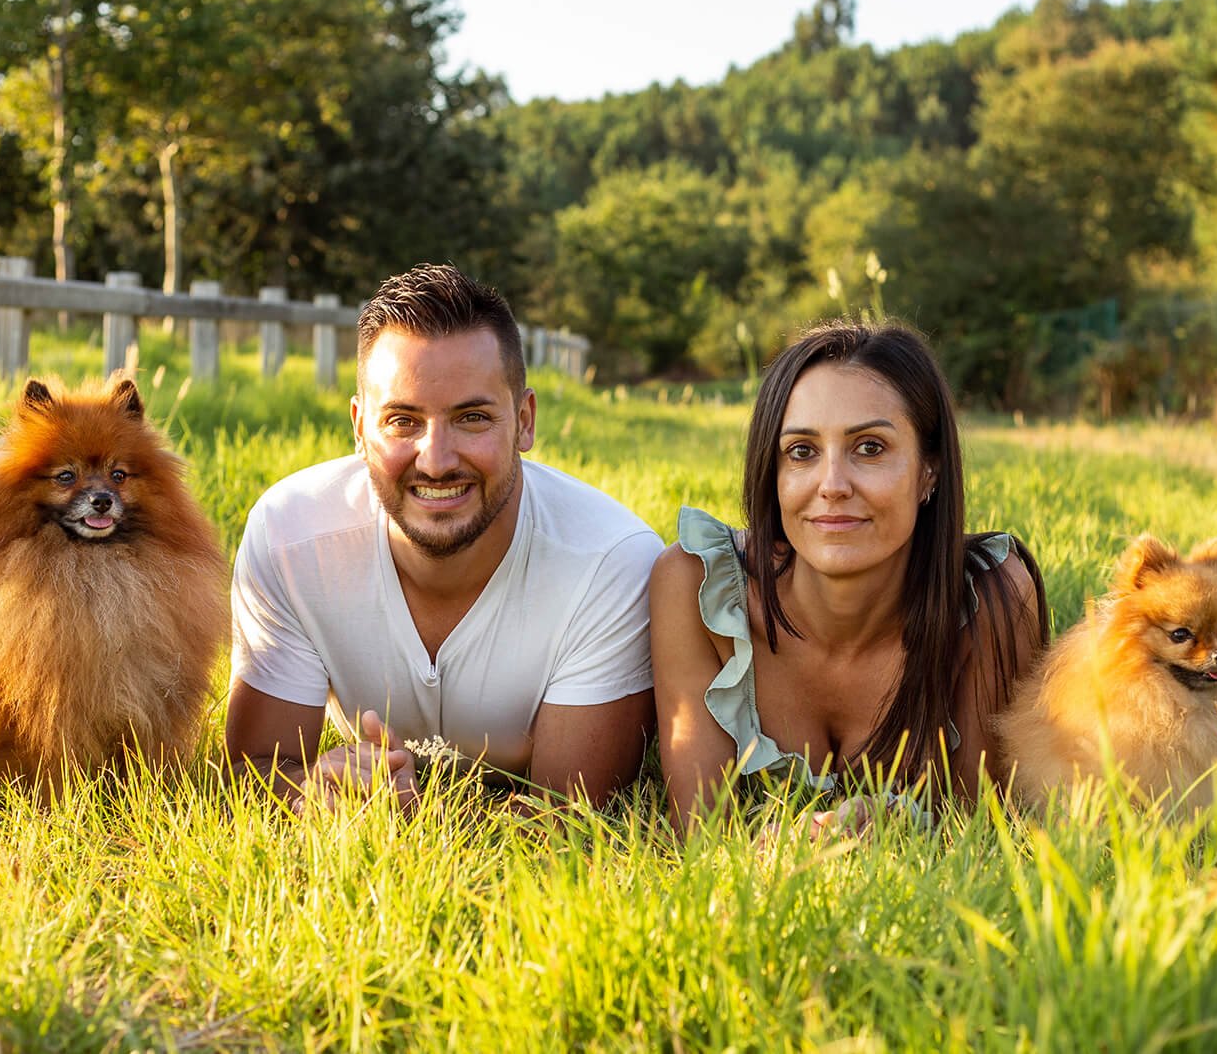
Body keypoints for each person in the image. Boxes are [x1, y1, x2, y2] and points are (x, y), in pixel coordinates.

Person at [225, 263, 663, 811]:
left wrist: (418, 816)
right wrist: (316, 791)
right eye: (402, 421)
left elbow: (569, 814)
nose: (435, 461)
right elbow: (257, 772)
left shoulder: (612, 563)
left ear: (524, 421)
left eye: (473, 418)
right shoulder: (291, 535)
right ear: (360, 429)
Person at [650, 321, 1048, 837]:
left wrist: (886, 826)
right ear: (771, 472)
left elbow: (985, 833)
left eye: (870, 448)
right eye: (801, 452)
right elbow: (702, 838)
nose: (832, 485)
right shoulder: (697, 587)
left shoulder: (990, 598)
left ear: (930, 469)